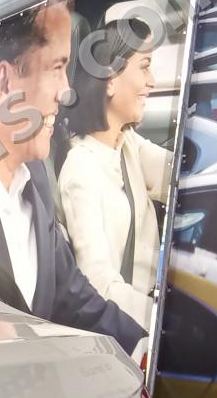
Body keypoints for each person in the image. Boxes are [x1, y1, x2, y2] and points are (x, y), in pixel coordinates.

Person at [0, 0, 147, 357]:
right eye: (56, 68)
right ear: (4, 82)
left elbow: (73, 297)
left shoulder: (36, 180)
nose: (66, 91)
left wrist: (149, 345)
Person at [57, 18, 170, 330]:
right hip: (132, 329)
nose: (152, 82)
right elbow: (99, 285)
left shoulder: (127, 144)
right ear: (110, 79)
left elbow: (177, 176)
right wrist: (165, 320)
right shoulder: (81, 169)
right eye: (144, 67)